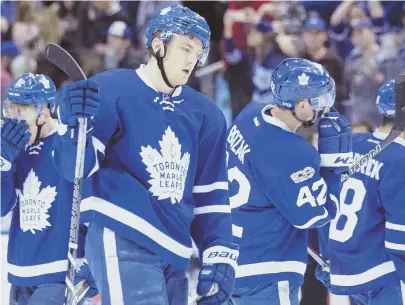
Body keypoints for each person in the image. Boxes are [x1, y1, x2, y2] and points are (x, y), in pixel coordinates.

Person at [51, 5, 238, 305]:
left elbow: (211, 195)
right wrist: (72, 126)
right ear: (157, 45)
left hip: (175, 249)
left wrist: (219, 255)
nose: (193, 59)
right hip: (121, 231)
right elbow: (74, 167)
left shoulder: (208, 115)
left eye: (199, 51)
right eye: (186, 48)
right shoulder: (110, 89)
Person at [226, 58, 353, 305]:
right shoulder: (293, 152)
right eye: (318, 100)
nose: (323, 108)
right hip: (266, 272)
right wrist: (334, 170)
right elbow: (315, 215)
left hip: (230, 262)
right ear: (300, 102)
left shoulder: (249, 114)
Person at [0, 73, 96, 305]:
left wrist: (94, 262)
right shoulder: (13, 147)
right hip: (20, 275)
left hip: (59, 275)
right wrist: (3, 164)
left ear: (43, 112)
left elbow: (93, 207)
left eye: (20, 111)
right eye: (9, 110)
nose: (12, 119)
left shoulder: (68, 142)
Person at [316, 79, 405, 305]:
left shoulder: (352, 143)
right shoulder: (399, 159)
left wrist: (327, 257)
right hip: (384, 277)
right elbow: (399, 240)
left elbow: (324, 208)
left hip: (346, 272)